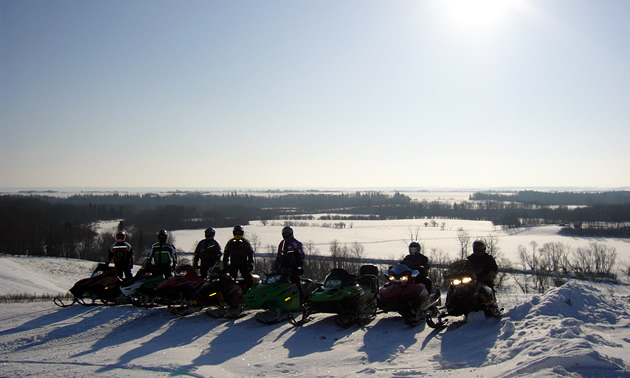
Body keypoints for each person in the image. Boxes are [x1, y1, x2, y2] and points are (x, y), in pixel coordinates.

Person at [275, 226, 305, 303]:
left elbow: (300, 256)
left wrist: (299, 266)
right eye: (284, 233)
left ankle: (301, 299)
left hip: (293, 267)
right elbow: (279, 255)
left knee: (295, 281)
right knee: (279, 283)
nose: (286, 235)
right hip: (283, 267)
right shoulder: (282, 243)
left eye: (287, 233)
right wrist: (276, 264)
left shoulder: (295, 243)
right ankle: (281, 299)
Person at [223, 225, 255, 289]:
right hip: (233, 264)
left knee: (248, 279)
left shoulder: (245, 243)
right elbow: (226, 254)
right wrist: (225, 264)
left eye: (239, 233)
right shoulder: (230, 243)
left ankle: (249, 291)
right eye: (237, 233)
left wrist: (251, 263)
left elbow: (250, 253)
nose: (238, 234)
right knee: (230, 280)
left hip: (244, 264)